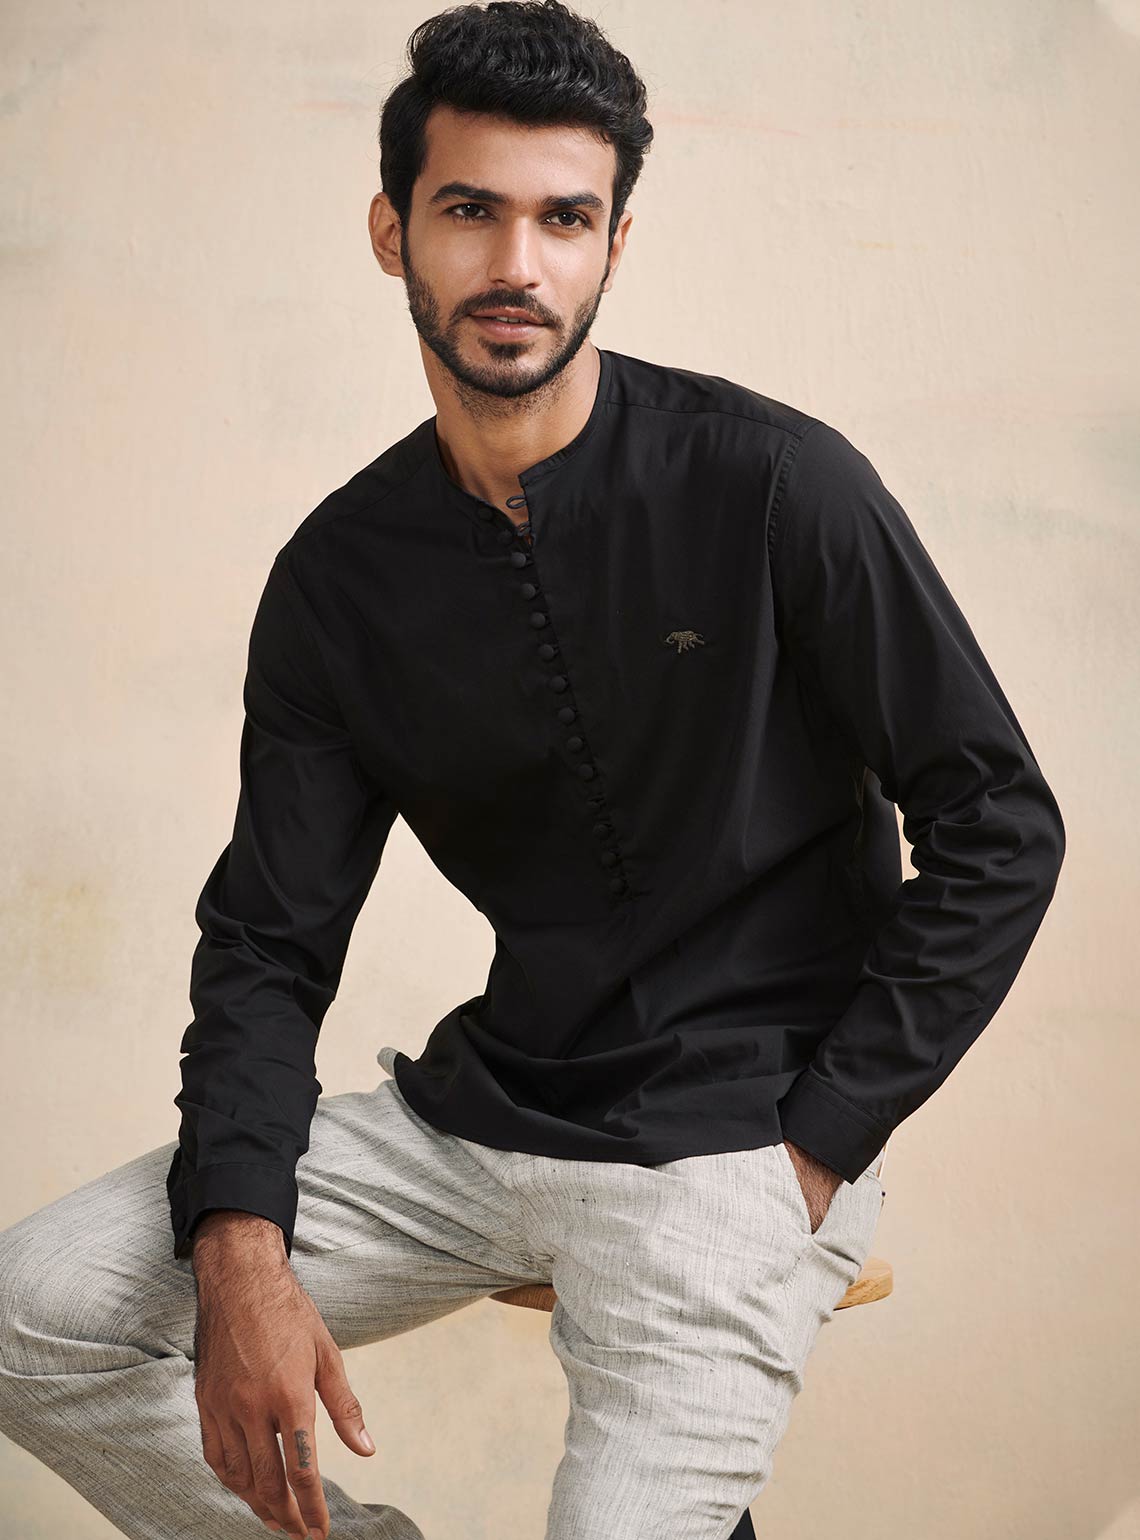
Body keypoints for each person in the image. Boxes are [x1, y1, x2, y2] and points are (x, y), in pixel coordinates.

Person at [0, 3, 1066, 1538]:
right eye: (470, 211)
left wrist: (822, 1141)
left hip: (739, 1140)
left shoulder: (779, 485)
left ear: (615, 242)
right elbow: (269, 942)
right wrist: (239, 1246)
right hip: (486, 1119)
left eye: (565, 218)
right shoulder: (340, 578)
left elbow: (999, 822)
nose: (519, 263)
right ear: (393, 232)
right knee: (34, 1313)